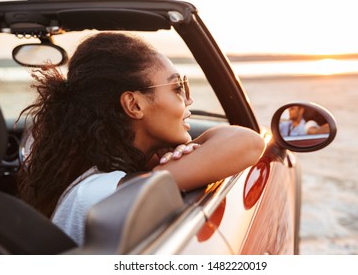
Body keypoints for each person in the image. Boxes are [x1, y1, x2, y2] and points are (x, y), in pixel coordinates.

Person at [17, 32, 265, 245]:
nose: (188, 100)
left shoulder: (106, 179)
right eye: (178, 88)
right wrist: (170, 164)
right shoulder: (101, 192)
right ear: (134, 104)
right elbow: (249, 143)